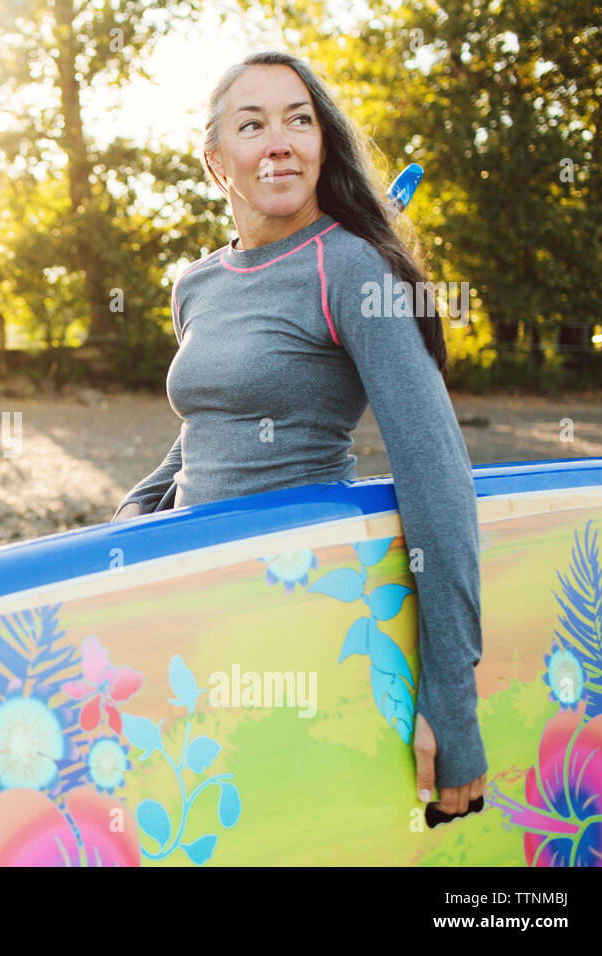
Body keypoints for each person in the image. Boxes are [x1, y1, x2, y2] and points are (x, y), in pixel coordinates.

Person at [111, 50, 487, 819]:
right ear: (217, 161)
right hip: (190, 600)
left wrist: (451, 700)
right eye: (253, 125)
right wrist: (130, 522)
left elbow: (435, 468)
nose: (280, 141)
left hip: (295, 599)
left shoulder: (350, 270)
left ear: (322, 144)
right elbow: (211, 426)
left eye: (299, 120)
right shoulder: (196, 285)